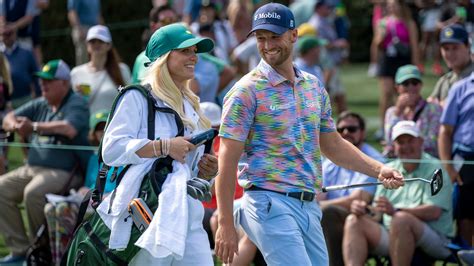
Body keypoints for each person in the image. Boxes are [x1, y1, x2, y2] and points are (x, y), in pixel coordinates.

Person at [214, 3, 404, 265]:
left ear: (293, 35)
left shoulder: (313, 86)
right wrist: (224, 222)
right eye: (261, 38)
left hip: (309, 206)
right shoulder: (245, 91)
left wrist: (378, 169)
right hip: (268, 203)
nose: (267, 45)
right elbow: (227, 160)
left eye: (275, 37)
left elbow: (333, 144)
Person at [96, 23, 218, 264]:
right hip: (147, 211)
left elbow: (189, 169)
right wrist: (164, 146)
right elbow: (110, 149)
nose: (194, 57)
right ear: (164, 57)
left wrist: (207, 172)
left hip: (188, 211)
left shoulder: (193, 106)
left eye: (195, 51)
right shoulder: (137, 96)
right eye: (185, 51)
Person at [0, 59, 91, 264]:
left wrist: (32, 127)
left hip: (65, 171)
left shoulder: (76, 102)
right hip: (32, 167)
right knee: (1, 188)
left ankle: (41, 251)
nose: (43, 85)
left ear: (65, 83)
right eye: (41, 80)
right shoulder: (41, 102)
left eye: (49, 80)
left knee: (33, 193)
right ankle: (20, 250)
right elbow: (8, 117)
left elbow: (69, 128)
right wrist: (15, 126)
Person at [343, 120, 453, 266]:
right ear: (394, 146)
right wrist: (365, 209)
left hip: (436, 238)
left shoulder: (436, 168)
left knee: (401, 219)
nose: (406, 146)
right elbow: (378, 214)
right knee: (353, 221)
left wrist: (395, 211)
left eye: (410, 141)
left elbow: (434, 212)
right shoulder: (388, 169)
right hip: (392, 233)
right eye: (400, 142)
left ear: (420, 142)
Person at [44, 109, 115, 265]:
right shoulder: (93, 158)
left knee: (63, 210)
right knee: (50, 209)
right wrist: (83, 190)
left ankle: (68, 259)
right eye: (99, 129)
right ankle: (59, 260)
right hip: (89, 200)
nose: (102, 133)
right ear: (94, 134)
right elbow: (89, 184)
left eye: (106, 128)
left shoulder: (119, 156)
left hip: (107, 203)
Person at [320, 111, 385, 266]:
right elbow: (318, 193)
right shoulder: (329, 161)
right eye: (341, 130)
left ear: (362, 133)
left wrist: (319, 206)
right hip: (328, 212)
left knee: (327, 213)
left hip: (362, 215)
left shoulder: (372, 161)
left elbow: (358, 199)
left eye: (351, 129)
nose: (346, 133)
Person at [372, 0, 420, 140]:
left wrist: (416, 64)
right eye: (390, 5)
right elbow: (377, 43)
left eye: (395, 5)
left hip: (403, 59)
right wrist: (382, 35)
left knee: (401, 93)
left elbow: (414, 45)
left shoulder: (409, 23)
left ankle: (403, 123)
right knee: (386, 93)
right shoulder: (382, 22)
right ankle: (383, 127)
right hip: (387, 59)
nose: (392, 8)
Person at [439, 71, 474, 247]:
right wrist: (448, 166)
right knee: (465, 216)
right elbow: (445, 131)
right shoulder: (460, 88)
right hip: (465, 158)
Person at [384, 64, 442, 158]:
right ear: (397, 87)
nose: (410, 87)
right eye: (406, 83)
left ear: (420, 85)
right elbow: (389, 141)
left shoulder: (434, 109)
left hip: (425, 161)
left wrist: (402, 147)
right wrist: (398, 111)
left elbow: (432, 142)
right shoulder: (392, 112)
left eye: (414, 83)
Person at [70, 25, 130, 114]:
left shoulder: (122, 70)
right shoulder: (76, 73)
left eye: (101, 41)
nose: (96, 44)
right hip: (87, 126)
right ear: (87, 45)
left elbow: (129, 100)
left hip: (114, 125)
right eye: (92, 41)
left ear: (109, 45)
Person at [308, 0, 348, 114]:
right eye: (327, 7)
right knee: (328, 95)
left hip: (330, 64)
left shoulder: (325, 20)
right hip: (325, 66)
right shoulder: (316, 23)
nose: (330, 10)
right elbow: (320, 43)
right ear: (319, 8)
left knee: (339, 94)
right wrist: (338, 44)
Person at [428, 23, 473, 107]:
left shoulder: (472, 77)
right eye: (446, 49)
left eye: (455, 48)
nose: (450, 53)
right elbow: (428, 109)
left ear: (468, 46)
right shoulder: (445, 81)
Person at [131, 4, 178, 84]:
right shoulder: (143, 58)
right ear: (153, 26)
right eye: (166, 21)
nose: (172, 25)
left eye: (175, 21)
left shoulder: (186, 54)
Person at [1, 26, 40, 108]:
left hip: (26, 98)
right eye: (4, 34)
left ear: (15, 34)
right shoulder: (0, 54)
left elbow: (36, 74)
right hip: (5, 102)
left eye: (10, 33)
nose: (7, 36)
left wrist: (38, 94)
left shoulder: (26, 52)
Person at [67, 0, 102, 65]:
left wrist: (102, 29)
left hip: (95, 30)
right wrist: (79, 29)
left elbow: (98, 14)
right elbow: (72, 12)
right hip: (83, 29)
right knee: (83, 59)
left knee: (98, 58)